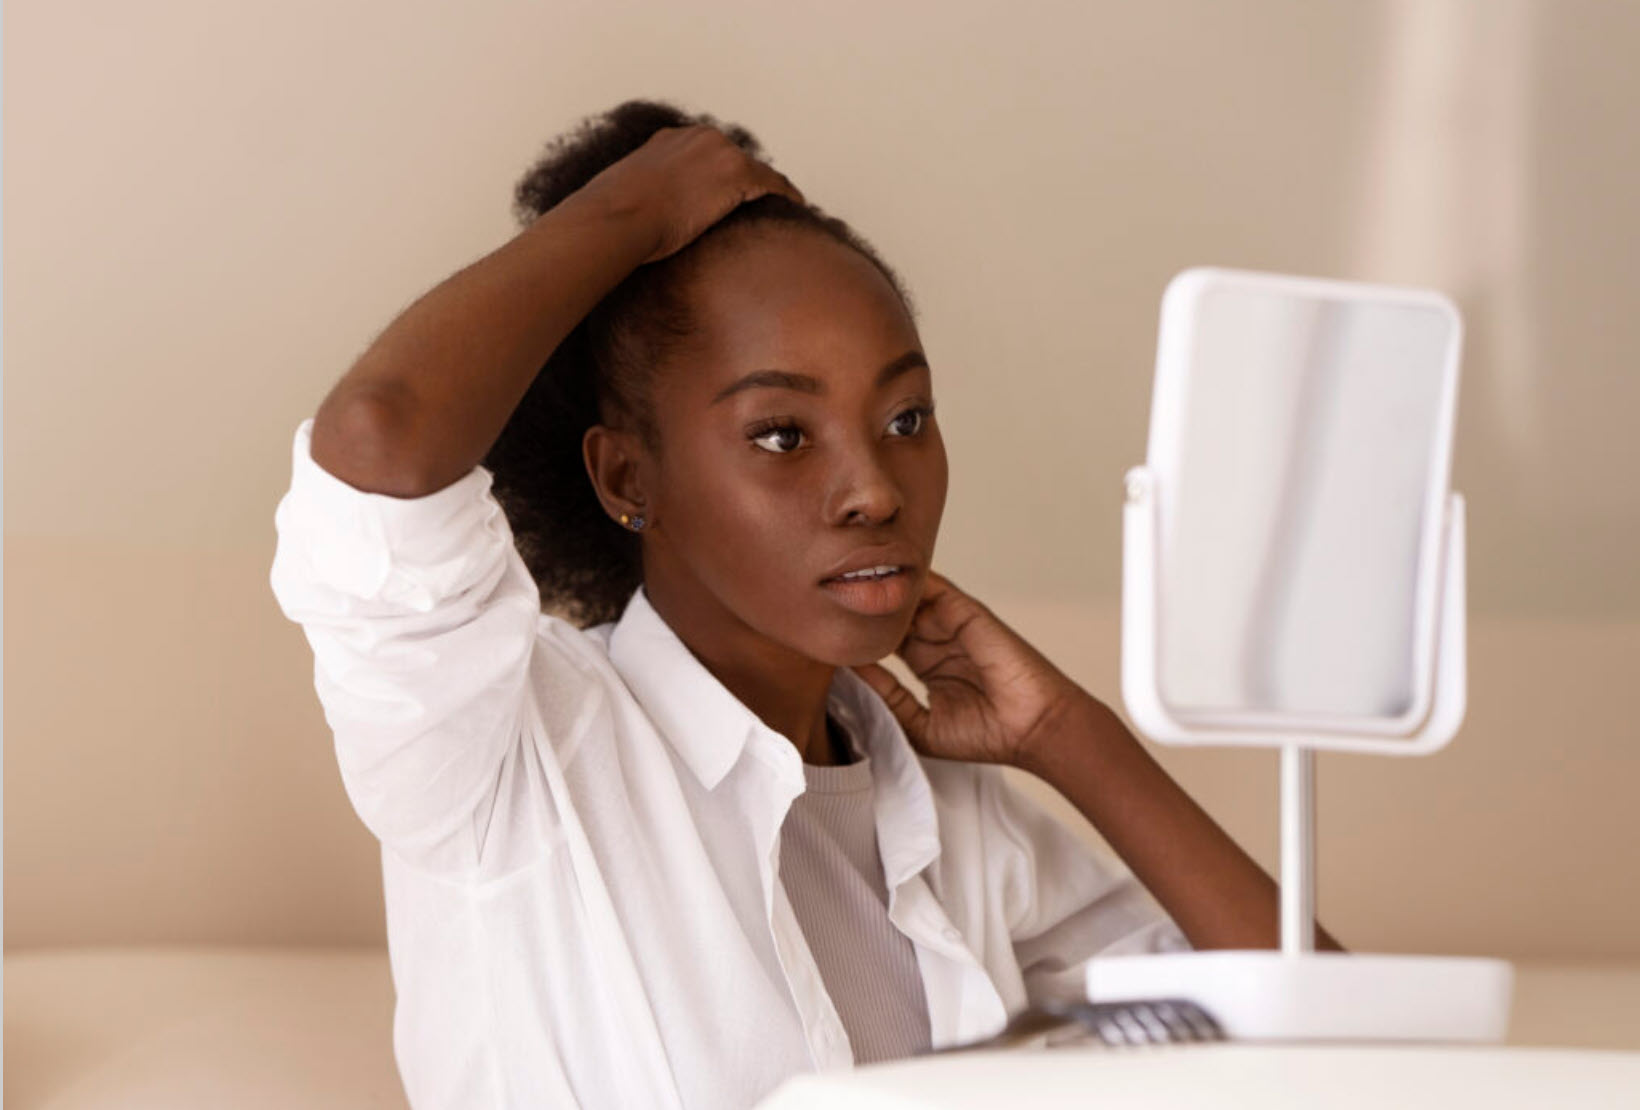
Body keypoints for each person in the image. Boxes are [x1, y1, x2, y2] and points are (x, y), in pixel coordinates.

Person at [270, 99, 1343, 1110]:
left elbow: (1355, 1057)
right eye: (782, 434)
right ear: (626, 479)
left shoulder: (957, 821)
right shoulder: (509, 757)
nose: (875, 487)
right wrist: (633, 208)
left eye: (906, 418)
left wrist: (1071, 737)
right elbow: (378, 440)